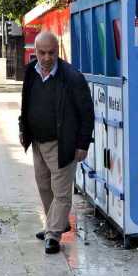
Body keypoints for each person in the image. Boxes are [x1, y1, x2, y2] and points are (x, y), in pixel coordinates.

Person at [19, 31, 94, 254]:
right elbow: (26, 102)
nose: (47, 58)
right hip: (38, 143)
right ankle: (56, 222)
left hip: (63, 143)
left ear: (57, 51)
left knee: (61, 192)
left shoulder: (72, 77)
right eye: (42, 53)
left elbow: (87, 113)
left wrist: (82, 144)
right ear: (35, 52)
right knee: (44, 187)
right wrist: (24, 129)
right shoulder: (30, 73)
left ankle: (53, 233)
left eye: (51, 53)